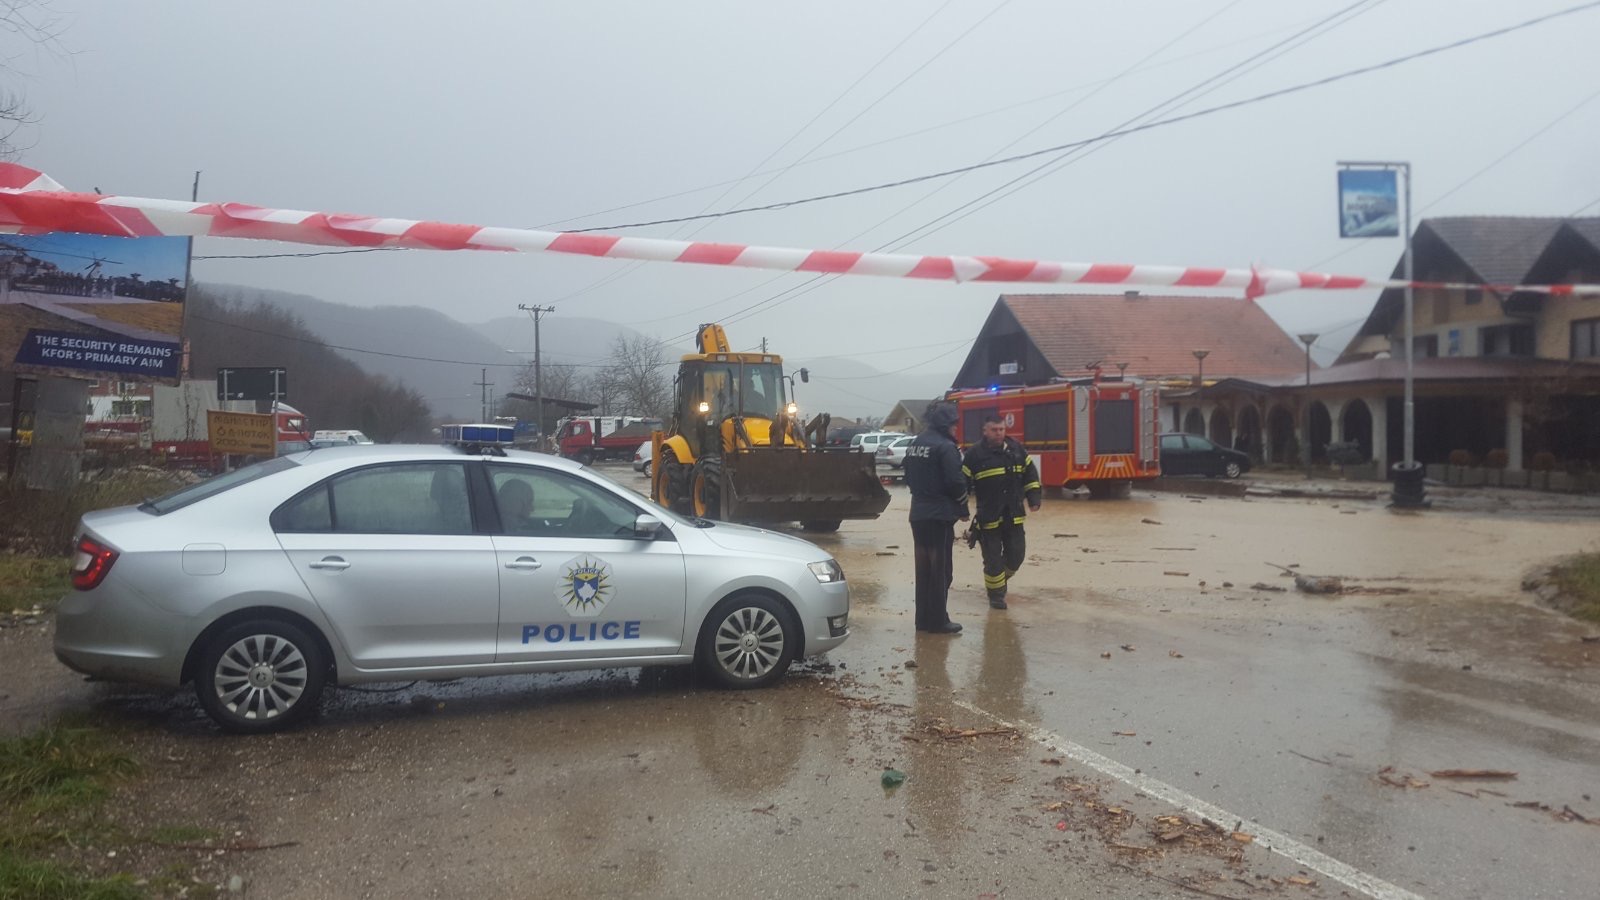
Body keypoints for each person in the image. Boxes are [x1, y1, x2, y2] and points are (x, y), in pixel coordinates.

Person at [961, 414, 1041, 610]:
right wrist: (961, 510)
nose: (999, 433)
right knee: (993, 560)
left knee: (1017, 556)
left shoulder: (1016, 450)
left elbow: (1030, 475)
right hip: (988, 518)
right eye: (994, 430)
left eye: (1002, 430)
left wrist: (1034, 498)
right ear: (985, 431)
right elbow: (962, 485)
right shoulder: (974, 455)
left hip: (1013, 515)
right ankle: (996, 597)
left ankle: (998, 582)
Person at [903, 402, 968, 634]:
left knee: (924, 570)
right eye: (953, 425)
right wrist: (963, 508)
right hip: (939, 514)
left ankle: (923, 620)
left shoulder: (915, 443)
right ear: (945, 424)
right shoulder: (946, 447)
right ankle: (939, 621)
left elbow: (907, 475)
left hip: (918, 513)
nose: (955, 430)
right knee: (941, 570)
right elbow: (955, 481)